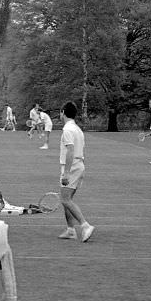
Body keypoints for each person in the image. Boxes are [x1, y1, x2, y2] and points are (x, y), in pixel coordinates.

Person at [56, 101, 94, 242]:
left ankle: (85, 225)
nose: (60, 115)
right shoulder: (77, 129)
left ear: (64, 113)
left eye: (60, 112)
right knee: (67, 200)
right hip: (78, 165)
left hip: (72, 167)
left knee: (65, 199)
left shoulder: (68, 130)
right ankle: (70, 230)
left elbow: (70, 151)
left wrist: (66, 172)